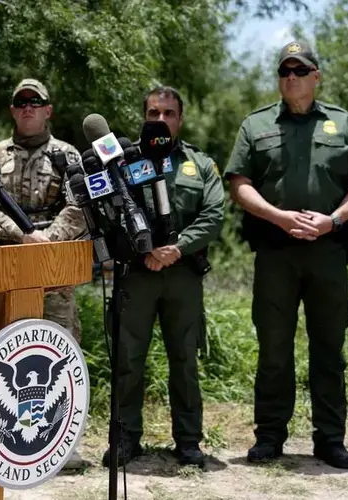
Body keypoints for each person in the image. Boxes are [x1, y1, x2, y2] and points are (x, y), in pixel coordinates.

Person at [224, 40, 348, 469]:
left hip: (328, 252)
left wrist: (334, 219)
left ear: (316, 76)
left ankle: (330, 439)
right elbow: (238, 182)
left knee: (329, 348)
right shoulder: (255, 125)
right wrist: (277, 217)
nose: (290, 78)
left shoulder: (343, 124)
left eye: (299, 70)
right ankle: (270, 437)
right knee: (274, 349)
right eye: (284, 72)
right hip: (276, 253)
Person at [0, 78, 88, 469]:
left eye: (35, 102)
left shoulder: (68, 155)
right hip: (5, 263)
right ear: (12, 110)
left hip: (54, 270)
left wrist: (47, 241)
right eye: (20, 103)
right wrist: (23, 236)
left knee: (58, 352)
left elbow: (81, 205)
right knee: (3, 351)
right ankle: (0, 438)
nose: (28, 108)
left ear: (48, 109)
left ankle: (60, 445)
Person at [106, 86, 225, 469]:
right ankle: (126, 437)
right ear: (144, 117)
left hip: (183, 275)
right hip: (138, 276)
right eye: (153, 113)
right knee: (128, 358)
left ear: (180, 119)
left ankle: (188, 441)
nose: (160, 120)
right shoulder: (125, 163)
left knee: (184, 359)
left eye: (168, 113)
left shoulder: (199, 164)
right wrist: (146, 250)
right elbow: (112, 212)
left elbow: (214, 215)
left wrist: (178, 247)